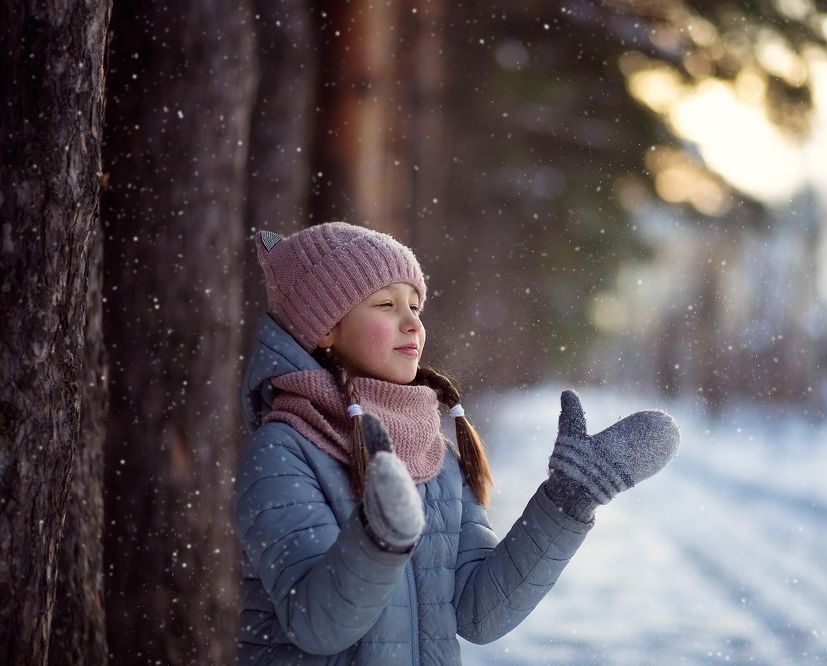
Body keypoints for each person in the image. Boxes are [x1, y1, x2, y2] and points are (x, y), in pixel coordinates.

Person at [236, 221, 680, 664]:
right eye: (386, 305)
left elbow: (477, 614)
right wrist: (379, 537)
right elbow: (318, 625)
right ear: (325, 330)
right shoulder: (284, 452)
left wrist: (566, 503)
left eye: (415, 306)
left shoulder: (433, 455)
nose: (411, 322)